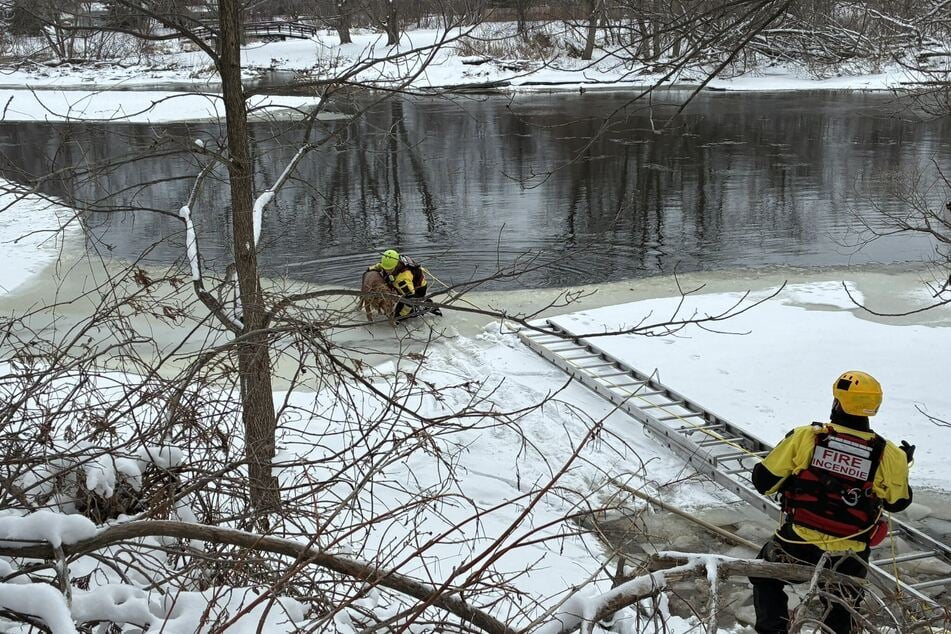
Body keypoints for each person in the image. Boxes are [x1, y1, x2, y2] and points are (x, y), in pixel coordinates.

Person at [749, 371, 914, 634]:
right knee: (842, 607)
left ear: (837, 402)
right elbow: (898, 503)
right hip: (851, 552)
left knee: (763, 575)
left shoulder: (807, 436)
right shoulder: (890, 454)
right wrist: (902, 465)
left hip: (798, 541)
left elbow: (763, 482)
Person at [367, 249, 442, 321]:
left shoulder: (402, 280)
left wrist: (401, 315)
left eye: (390, 269)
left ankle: (426, 306)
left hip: (417, 290)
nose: (387, 271)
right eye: (386, 269)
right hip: (408, 287)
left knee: (401, 315)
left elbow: (410, 299)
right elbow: (380, 265)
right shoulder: (392, 261)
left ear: (396, 265)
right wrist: (370, 269)